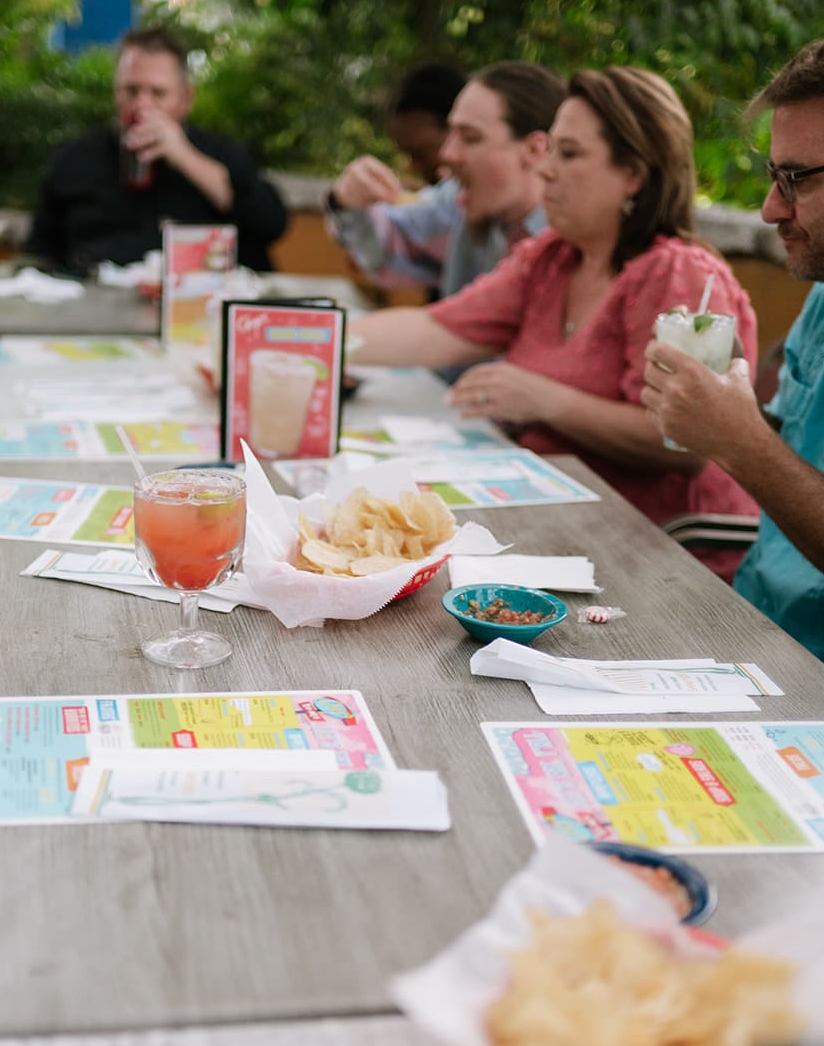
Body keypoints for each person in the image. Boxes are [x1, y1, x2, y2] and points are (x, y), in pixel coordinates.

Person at [352, 66, 759, 575]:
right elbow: (436, 329)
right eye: (550, 153)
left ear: (633, 174)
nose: (545, 171)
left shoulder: (679, 274)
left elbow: (685, 443)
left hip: (665, 556)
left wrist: (543, 398)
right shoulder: (553, 256)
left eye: (568, 154)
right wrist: (290, 336)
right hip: (559, 530)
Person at [642, 40, 824, 654]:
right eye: (775, 176)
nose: (772, 208)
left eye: (797, 180)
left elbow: (758, 448)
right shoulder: (822, 297)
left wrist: (739, 441)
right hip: (752, 625)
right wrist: (716, 406)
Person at [28, 26, 289, 274]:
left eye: (158, 93)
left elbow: (272, 224)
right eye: (131, 91)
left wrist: (185, 157)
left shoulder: (219, 153)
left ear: (186, 98)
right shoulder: (75, 161)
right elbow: (38, 255)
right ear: (115, 92)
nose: (142, 106)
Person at [328, 63, 564, 300]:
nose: (447, 153)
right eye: (451, 133)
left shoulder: (578, 242)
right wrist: (348, 200)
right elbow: (386, 245)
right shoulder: (458, 206)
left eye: (470, 138)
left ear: (534, 149)